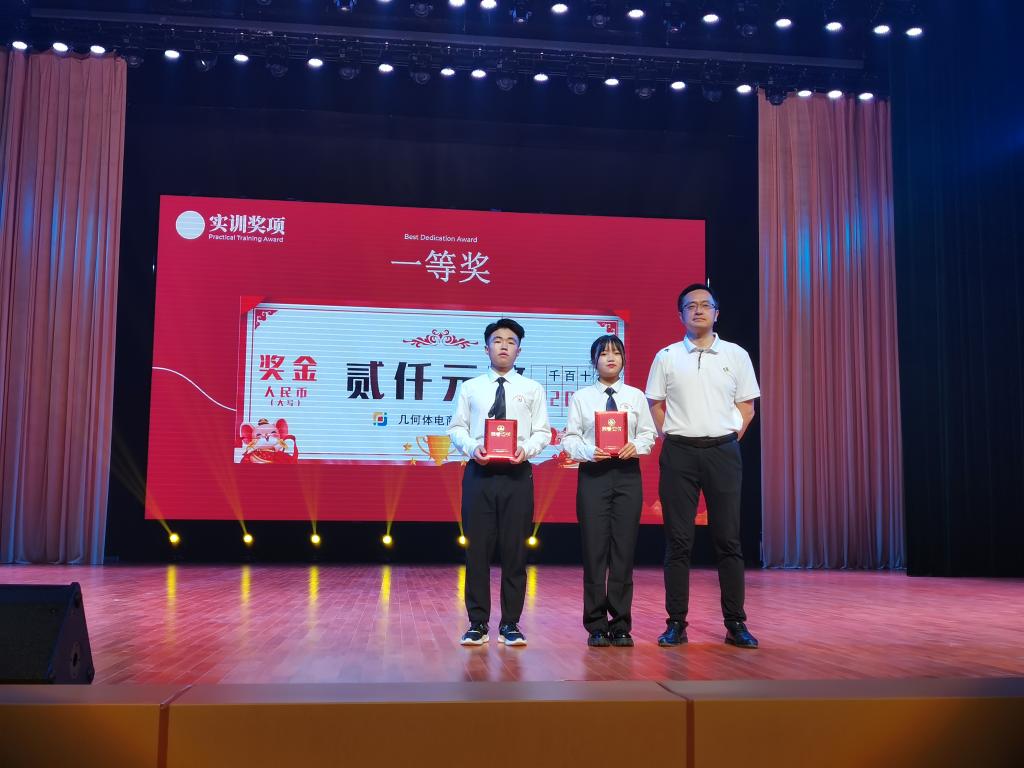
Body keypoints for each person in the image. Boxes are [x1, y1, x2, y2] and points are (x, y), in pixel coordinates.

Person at [645, 284, 761, 649]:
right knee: (678, 541)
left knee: (728, 539)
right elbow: (655, 404)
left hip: (722, 452)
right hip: (679, 453)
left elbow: (747, 407)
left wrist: (725, 437)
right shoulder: (666, 356)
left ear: (716, 313)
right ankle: (676, 623)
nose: (698, 310)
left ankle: (736, 623)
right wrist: (674, 435)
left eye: (705, 305)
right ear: (680, 314)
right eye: (690, 306)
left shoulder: (736, 355)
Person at [448, 318, 551, 647]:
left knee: (514, 552)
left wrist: (526, 450)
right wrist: (471, 448)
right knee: (477, 551)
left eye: (510, 341)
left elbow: (543, 432)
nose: (504, 346)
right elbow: (457, 428)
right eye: (497, 340)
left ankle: (510, 624)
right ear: (486, 348)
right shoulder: (471, 387)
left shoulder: (532, 389)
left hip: (517, 475)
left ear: (519, 350)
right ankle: (477, 623)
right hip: (479, 473)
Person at [563, 335, 657, 648]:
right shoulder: (582, 397)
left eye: (616, 352)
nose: (611, 357)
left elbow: (648, 434)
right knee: (594, 551)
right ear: (594, 361)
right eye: (603, 353)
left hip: (628, 474)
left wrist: (636, 446)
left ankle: (621, 624)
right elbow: (570, 438)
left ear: (624, 359)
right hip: (594, 474)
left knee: (623, 551)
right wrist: (589, 451)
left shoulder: (635, 396)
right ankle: (596, 625)